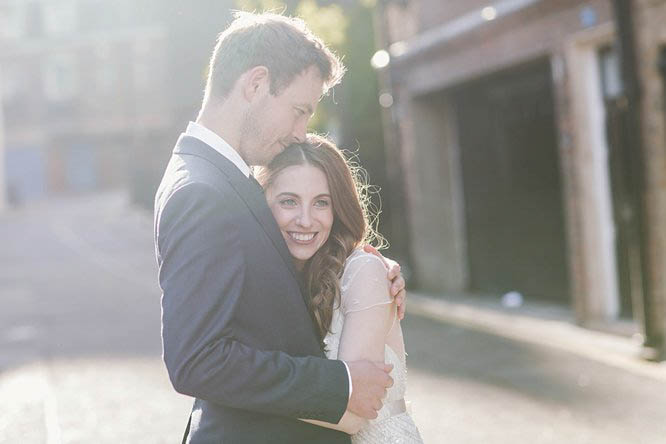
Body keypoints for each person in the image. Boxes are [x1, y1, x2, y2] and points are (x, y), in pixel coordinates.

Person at [153, 11, 407, 444]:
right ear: (255, 84)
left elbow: (264, 291)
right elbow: (198, 360)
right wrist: (340, 384)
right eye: (299, 110)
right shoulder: (203, 191)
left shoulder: (227, 179)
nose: (299, 132)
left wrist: (359, 269)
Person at [258, 134, 424, 443]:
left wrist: (236, 385)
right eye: (289, 201)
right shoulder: (277, 276)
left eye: (321, 203)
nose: (305, 220)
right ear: (263, 202)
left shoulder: (364, 272)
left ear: (338, 209)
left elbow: (352, 415)